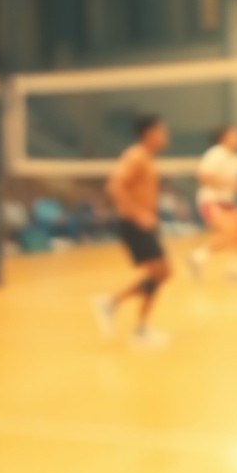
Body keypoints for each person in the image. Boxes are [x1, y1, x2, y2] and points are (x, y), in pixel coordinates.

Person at [93, 115, 173, 346]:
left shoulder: (146, 157)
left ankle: (117, 309)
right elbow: (114, 185)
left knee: (161, 273)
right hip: (134, 224)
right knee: (161, 272)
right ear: (149, 133)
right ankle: (123, 315)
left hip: (144, 224)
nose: (165, 136)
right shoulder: (136, 155)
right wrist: (139, 214)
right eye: (161, 131)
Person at [189, 126, 237, 282]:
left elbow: (231, 184)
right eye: (235, 135)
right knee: (229, 233)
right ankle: (196, 258)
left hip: (228, 201)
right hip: (211, 200)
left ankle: (233, 271)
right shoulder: (215, 154)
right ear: (223, 138)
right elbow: (204, 177)